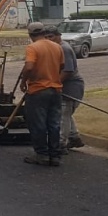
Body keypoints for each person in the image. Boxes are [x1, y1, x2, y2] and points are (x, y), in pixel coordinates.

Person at [19, 21, 65, 167]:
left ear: (31, 35)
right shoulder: (57, 47)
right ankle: (55, 156)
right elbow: (62, 66)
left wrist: (24, 81)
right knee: (54, 123)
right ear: (44, 32)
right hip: (56, 90)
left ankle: (42, 155)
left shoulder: (33, 47)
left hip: (38, 90)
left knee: (38, 124)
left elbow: (29, 66)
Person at [46, 25, 85, 151]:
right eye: (46, 37)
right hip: (63, 86)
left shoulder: (64, 48)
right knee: (66, 113)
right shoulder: (55, 48)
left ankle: (60, 143)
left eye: (51, 36)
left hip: (72, 86)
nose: (49, 39)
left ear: (58, 35)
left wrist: (54, 84)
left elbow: (68, 71)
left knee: (63, 115)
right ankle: (74, 137)